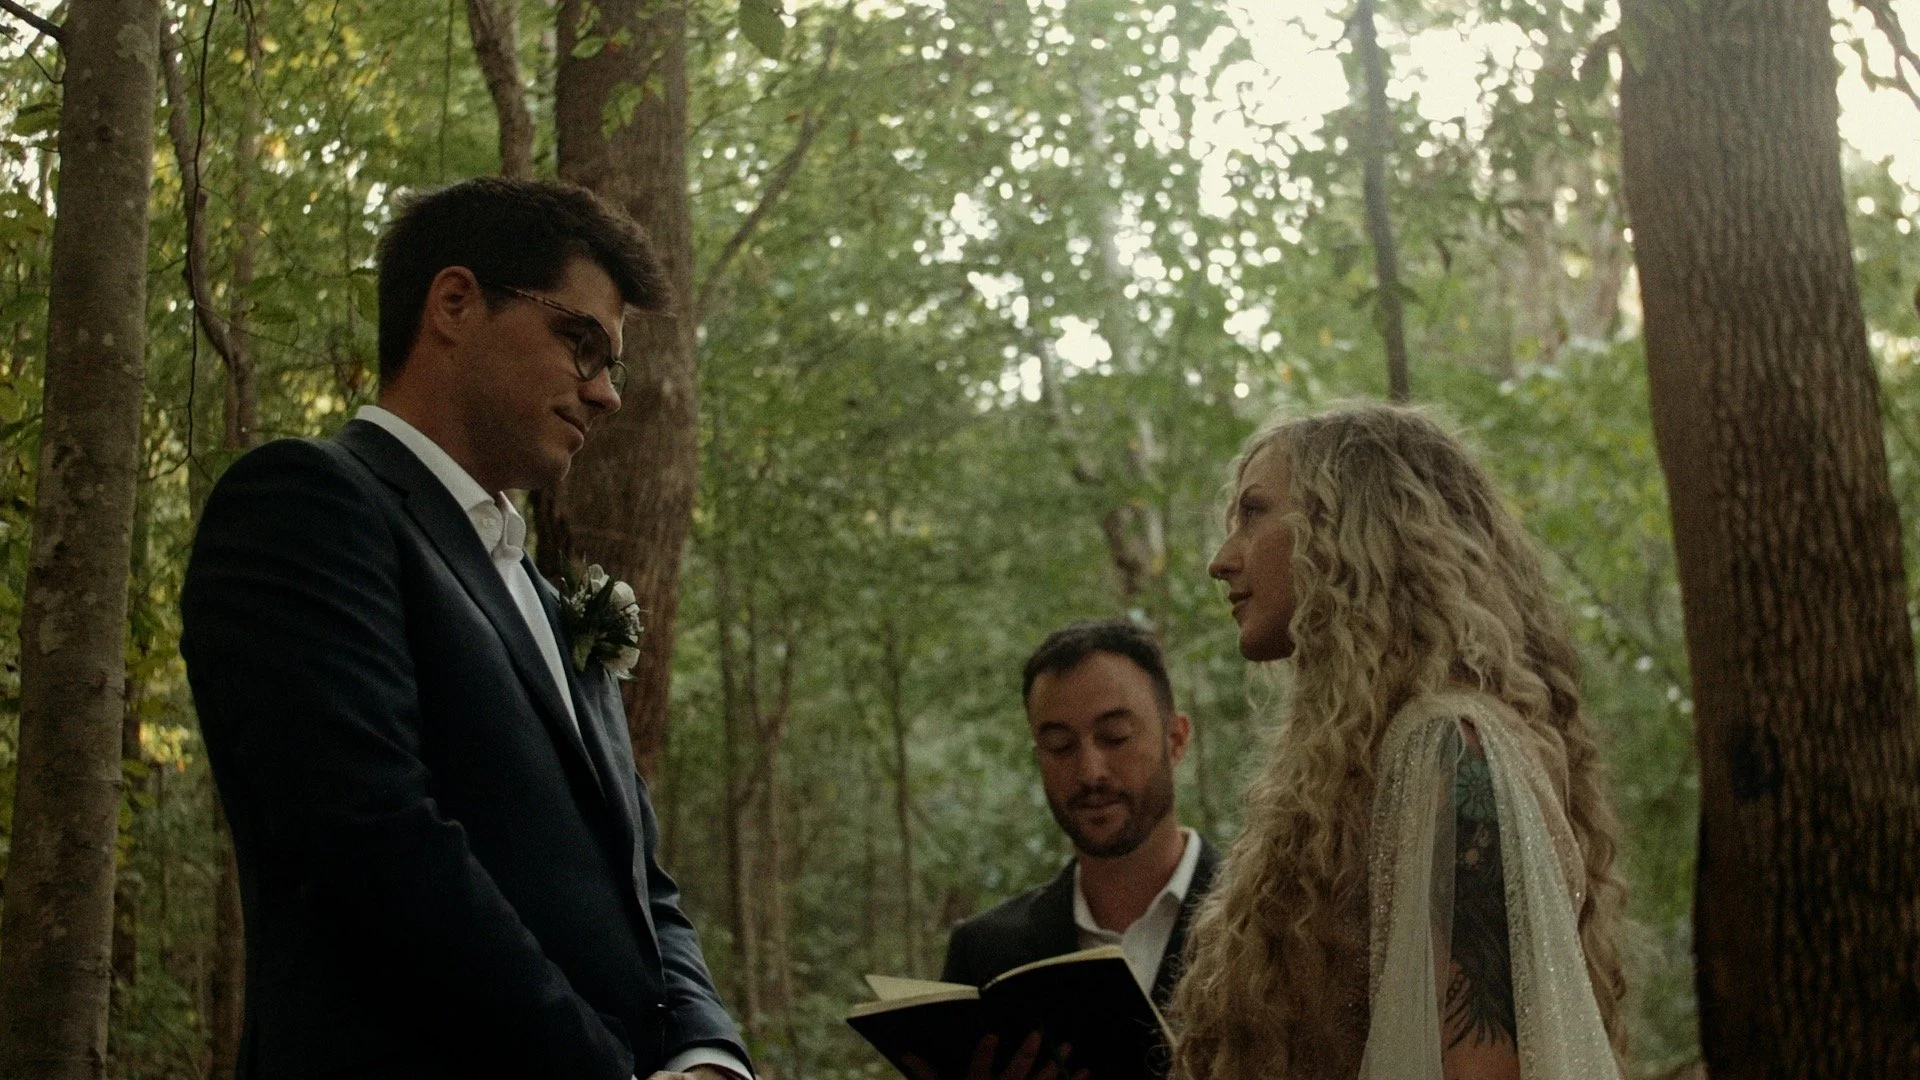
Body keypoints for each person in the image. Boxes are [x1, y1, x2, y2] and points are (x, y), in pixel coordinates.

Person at [181, 178, 750, 1080]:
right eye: (581, 343)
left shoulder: (548, 596)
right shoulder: (307, 504)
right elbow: (375, 846)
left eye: (614, 364)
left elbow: (643, 883)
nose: (604, 394)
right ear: (455, 302)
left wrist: (708, 1054)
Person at [1172, 404, 1628, 1080]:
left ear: (1351, 529)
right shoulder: (1360, 763)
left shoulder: (1450, 751)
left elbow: (1484, 1068)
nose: (1222, 560)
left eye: (1254, 513)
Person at [940, 621, 1219, 1066]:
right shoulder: (985, 954)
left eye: (1115, 737)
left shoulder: (1279, 917)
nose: (1090, 772)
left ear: (1176, 739)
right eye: (1059, 745)